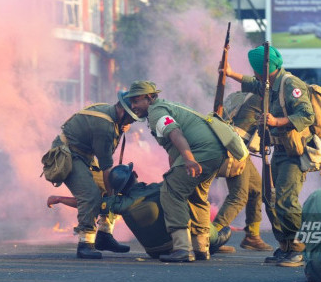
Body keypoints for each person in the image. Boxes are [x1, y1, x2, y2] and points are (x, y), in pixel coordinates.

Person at [222, 44, 315, 267]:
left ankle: (298, 249)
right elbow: (254, 85)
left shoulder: (290, 84)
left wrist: (276, 121)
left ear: (262, 68)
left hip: (295, 151)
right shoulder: (269, 83)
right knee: (270, 199)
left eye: (254, 68)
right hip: (279, 149)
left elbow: (307, 114)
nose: (253, 72)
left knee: (285, 199)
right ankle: (285, 247)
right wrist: (229, 73)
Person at [126, 81, 227, 262]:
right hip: (214, 154)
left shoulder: (156, 112)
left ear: (149, 98)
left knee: (171, 191)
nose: (133, 106)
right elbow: (172, 148)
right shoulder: (165, 106)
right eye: (131, 102)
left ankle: (182, 249)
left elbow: (175, 133)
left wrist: (189, 160)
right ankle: (201, 248)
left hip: (200, 153)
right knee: (196, 196)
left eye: (136, 100)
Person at [47, 163, 232, 257]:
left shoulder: (116, 204)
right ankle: (216, 238)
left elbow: (89, 204)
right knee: (199, 222)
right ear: (134, 175)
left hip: (153, 252)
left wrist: (59, 199)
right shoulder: (158, 189)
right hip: (174, 245)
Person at [44, 91, 140, 259]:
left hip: (84, 155)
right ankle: (85, 243)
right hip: (68, 153)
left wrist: (111, 193)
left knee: (116, 187)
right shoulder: (105, 126)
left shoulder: (112, 116)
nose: (133, 122)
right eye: (132, 117)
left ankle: (104, 236)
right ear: (123, 112)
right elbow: (106, 168)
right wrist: (110, 196)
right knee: (91, 195)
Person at [212, 92, 273, 251]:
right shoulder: (265, 96)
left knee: (257, 188)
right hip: (235, 147)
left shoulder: (250, 94)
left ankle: (252, 236)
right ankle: (211, 236)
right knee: (238, 195)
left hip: (238, 147)